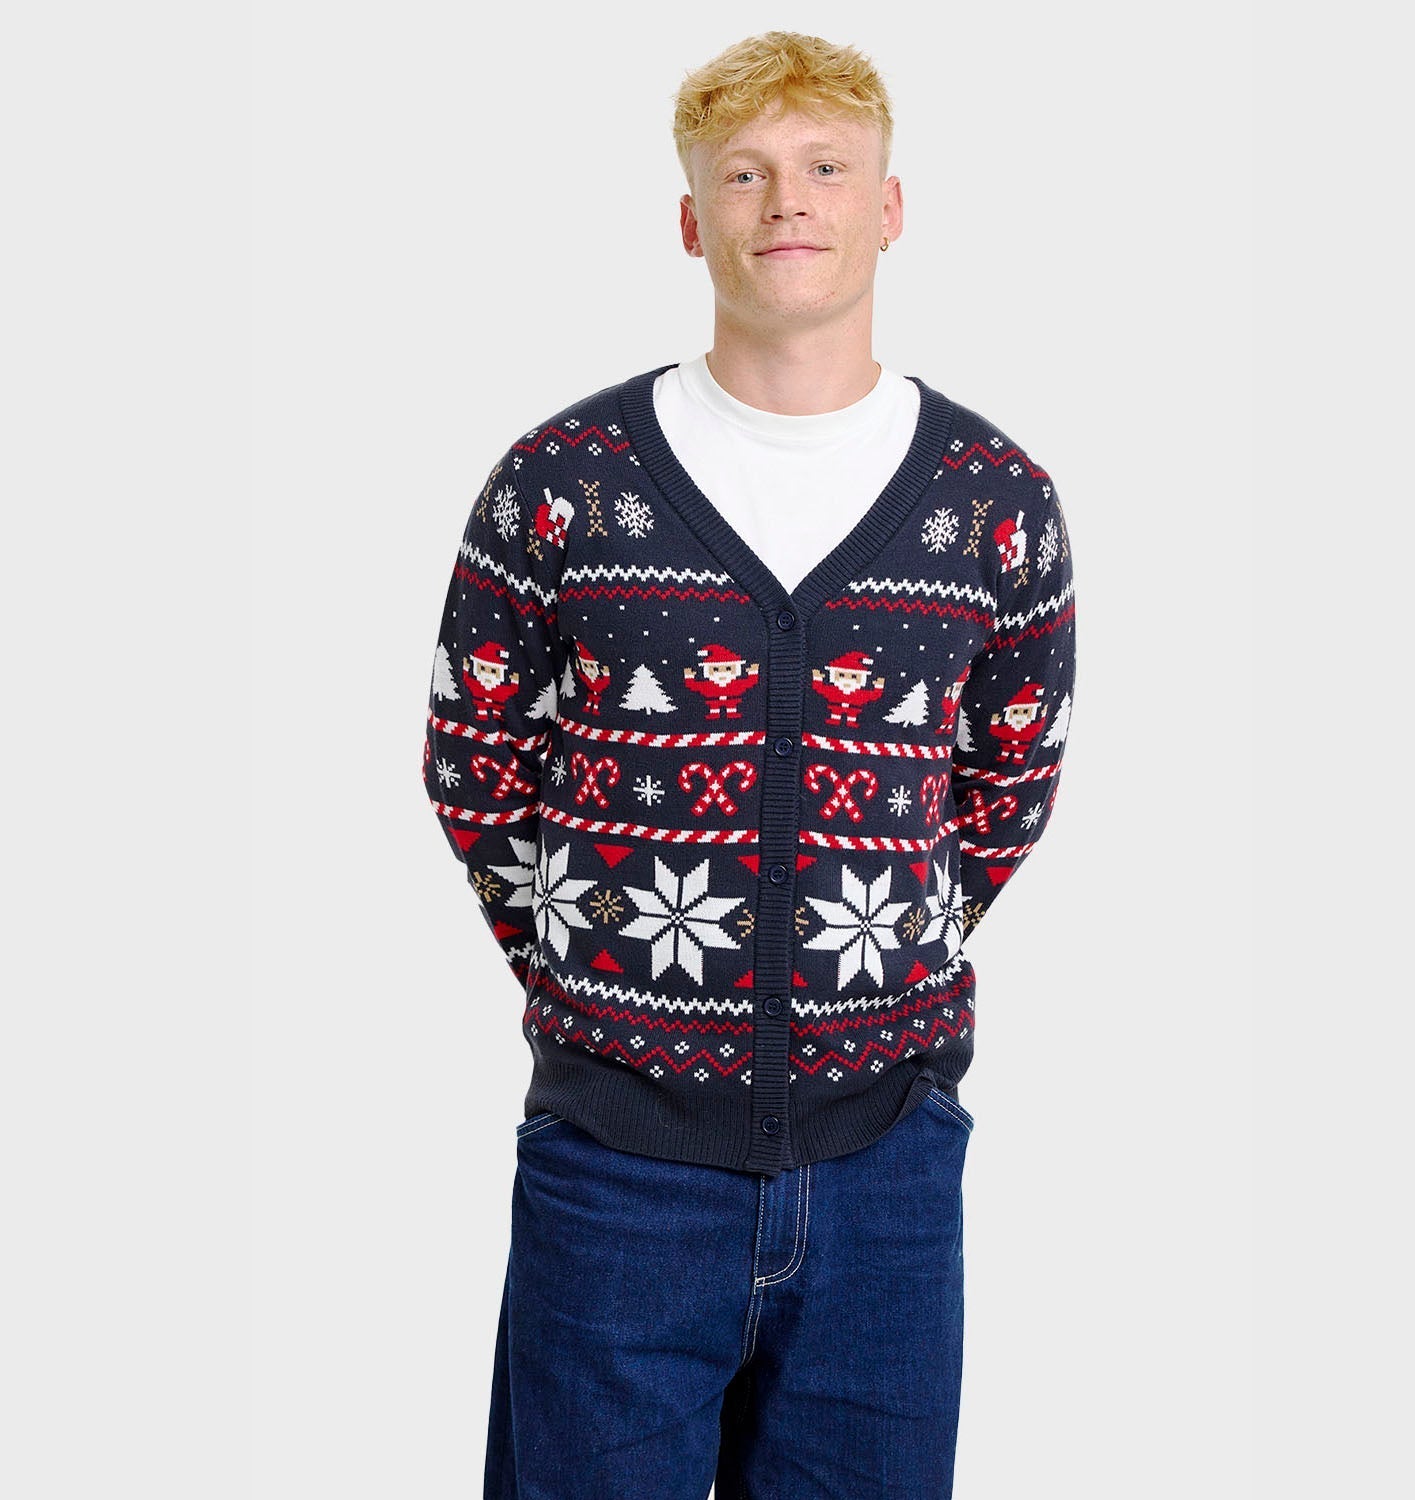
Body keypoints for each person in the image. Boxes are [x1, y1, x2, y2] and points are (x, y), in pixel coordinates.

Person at [421, 29, 1077, 1500]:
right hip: (616, 1167)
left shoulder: (994, 499)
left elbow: (1010, 779)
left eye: (826, 167)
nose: (788, 201)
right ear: (690, 219)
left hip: (888, 1174)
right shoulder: (564, 481)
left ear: (888, 209)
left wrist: (867, 943)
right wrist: (600, 956)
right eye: (745, 174)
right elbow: (474, 759)